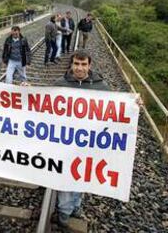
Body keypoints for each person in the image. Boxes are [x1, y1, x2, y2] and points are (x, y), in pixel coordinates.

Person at [53, 49, 110, 228]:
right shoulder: (60, 84)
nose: (79, 68)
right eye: (76, 64)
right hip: (65, 145)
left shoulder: (101, 86)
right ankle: (64, 211)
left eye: (83, 64)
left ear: (89, 65)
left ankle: (76, 206)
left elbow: (118, 109)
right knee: (66, 179)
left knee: (83, 178)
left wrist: (134, 104)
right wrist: (27, 92)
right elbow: (42, 104)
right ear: (71, 64)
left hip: (90, 146)